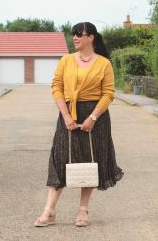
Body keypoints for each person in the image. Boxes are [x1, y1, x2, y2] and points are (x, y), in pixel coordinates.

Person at [34, 22, 124, 227]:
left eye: (78, 34)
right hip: (68, 114)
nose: (74, 37)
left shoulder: (104, 63)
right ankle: (49, 211)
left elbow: (109, 93)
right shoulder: (66, 61)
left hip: (96, 117)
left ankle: (83, 211)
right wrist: (66, 115)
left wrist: (92, 118)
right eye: (72, 34)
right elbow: (56, 87)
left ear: (91, 37)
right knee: (59, 159)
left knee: (90, 160)